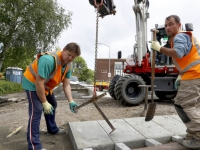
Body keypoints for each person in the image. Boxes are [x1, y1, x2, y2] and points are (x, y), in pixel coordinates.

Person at [151, 15, 200, 149]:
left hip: (194, 76)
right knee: (192, 107)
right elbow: (187, 59)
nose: (167, 27)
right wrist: (180, 75)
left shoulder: (180, 37)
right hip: (194, 75)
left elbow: (178, 53)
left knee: (183, 105)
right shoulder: (181, 38)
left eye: (171, 24)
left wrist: (159, 48)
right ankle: (193, 137)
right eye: (166, 25)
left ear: (179, 25)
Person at [22, 42, 81, 150]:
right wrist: (44, 102)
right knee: (37, 110)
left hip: (44, 85)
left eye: (73, 57)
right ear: (63, 49)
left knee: (53, 103)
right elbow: (38, 83)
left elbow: (66, 85)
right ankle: (34, 146)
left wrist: (70, 101)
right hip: (32, 82)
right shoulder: (49, 60)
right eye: (68, 54)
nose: (70, 58)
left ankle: (52, 129)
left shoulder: (68, 65)